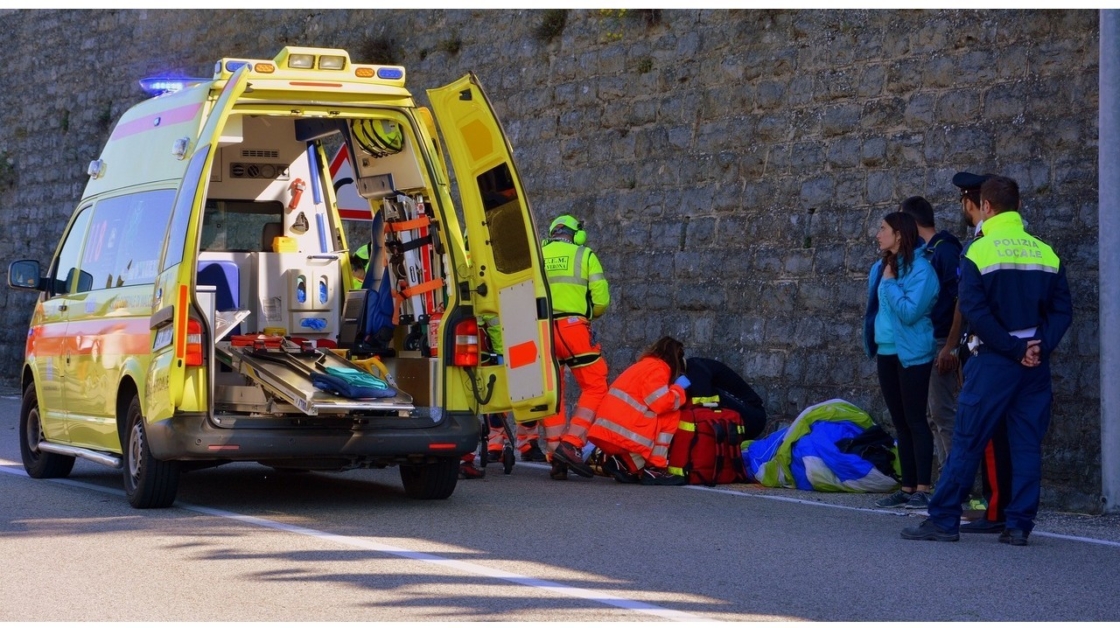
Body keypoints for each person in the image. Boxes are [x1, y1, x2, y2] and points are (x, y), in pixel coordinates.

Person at [902, 175, 1072, 546]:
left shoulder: (978, 251)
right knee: (1026, 443)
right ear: (1018, 207)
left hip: (995, 360)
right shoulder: (1046, 252)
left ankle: (944, 520)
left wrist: (1012, 349)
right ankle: (1018, 525)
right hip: (1034, 364)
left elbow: (975, 311)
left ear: (988, 206)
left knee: (967, 439)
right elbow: (1062, 311)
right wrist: (1037, 346)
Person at [863, 211, 940, 510]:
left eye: (883, 229)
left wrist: (891, 283)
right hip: (886, 352)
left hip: (913, 354)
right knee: (900, 422)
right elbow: (874, 311)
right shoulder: (880, 267)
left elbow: (909, 312)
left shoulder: (922, 270)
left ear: (899, 234)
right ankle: (907, 487)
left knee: (916, 420)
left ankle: (923, 487)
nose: (877, 234)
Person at [952, 171, 1013, 534]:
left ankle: (995, 510)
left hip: (989, 350)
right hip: (1013, 348)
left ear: (974, 203)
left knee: (988, 434)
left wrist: (957, 347)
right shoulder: (1016, 241)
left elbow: (971, 305)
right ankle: (1002, 507)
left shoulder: (980, 245)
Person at [540, 214, 611, 480]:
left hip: (542, 330)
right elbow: (601, 300)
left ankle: (555, 452)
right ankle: (571, 443)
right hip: (573, 330)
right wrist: (589, 314)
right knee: (595, 385)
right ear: (576, 234)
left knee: (552, 391)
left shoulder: (538, 255)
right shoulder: (585, 255)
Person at [899, 196, 962, 479]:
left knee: (942, 413)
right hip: (925, 343)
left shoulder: (945, 252)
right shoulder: (924, 254)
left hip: (940, 342)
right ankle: (945, 477)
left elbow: (962, 301)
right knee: (930, 415)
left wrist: (950, 346)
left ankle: (955, 481)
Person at [586, 336, 690, 486]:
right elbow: (661, 403)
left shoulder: (643, 365)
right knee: (671, 413)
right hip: (620, 436)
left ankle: (625, 464)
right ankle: (654, 468)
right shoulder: (659, 368)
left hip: (607, 434)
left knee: (655, 416)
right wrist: (678, 389)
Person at [684, 357, 767, 440]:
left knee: (704, 401)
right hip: (743, 417)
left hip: (753, 416)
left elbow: (704, 407)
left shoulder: (696, 369)